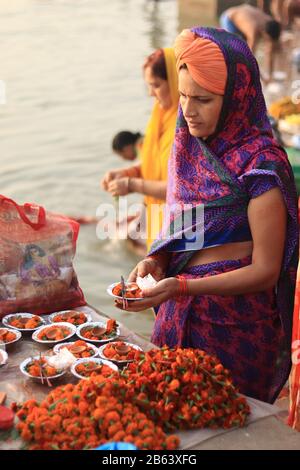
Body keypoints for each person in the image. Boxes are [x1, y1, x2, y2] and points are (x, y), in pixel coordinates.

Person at [117, 27, 298, 404]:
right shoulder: (188, 148)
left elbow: (266, 270)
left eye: (203, 99)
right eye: (183, 96)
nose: (188, 110)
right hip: (176, 317)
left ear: (235, 98)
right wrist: (156, 259)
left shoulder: (262, 163)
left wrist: (183, 286)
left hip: (235, 330)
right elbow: (184, 230)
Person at [101, 48, 179, 250]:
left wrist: (132, 184)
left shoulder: (186, 125)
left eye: (156, 85)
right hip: (158, 224)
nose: (150, 93)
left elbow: (178, 188)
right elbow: (159, 166)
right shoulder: (160, 116)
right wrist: (126, 173)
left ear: (176, 81)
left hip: (181, 228)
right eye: (149, 86)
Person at [220, 3, 281, 82]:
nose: (268, 42)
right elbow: (249, 57)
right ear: (264, 32)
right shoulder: (253, 31)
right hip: (229, 18)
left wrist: (270, 75)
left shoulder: (270, 23)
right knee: (234, 52)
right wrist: (261, 78)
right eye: (268, 39)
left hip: (246, 14)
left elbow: (270, 51)